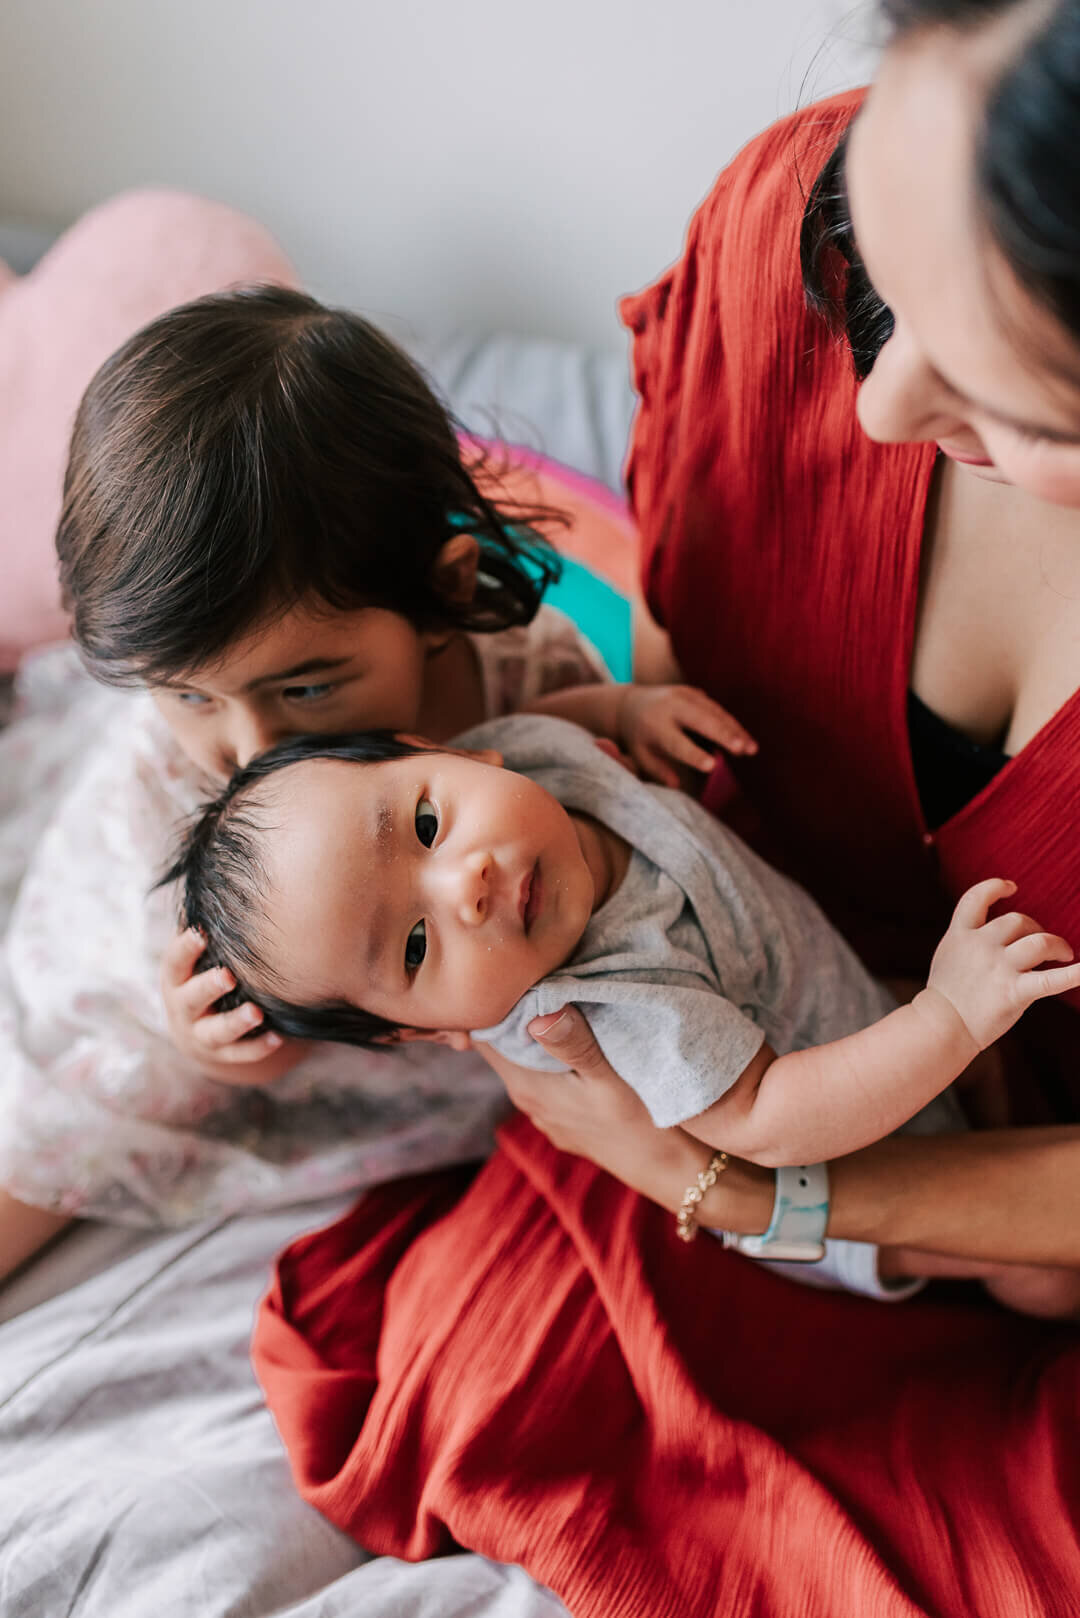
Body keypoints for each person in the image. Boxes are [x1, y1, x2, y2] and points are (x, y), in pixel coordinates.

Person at [480, 0, 1080, 1294]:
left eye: (1005, 392)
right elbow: (685, 627)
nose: (877, 406)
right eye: (878, 280)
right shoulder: (779, 233)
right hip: (709, 1035)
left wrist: (742, 1184)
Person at [0, 284, 742, 1281]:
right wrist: (228, 1045)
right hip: (194, 970)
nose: (249, 746)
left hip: (437, 986)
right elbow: (239, 1018)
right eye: (190, 694)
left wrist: (631, 721)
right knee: (72, 1110)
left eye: (305, 685)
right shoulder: (178, 765)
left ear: (441, 593)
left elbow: (604, 815)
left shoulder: (528, 675)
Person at [165, 715, 1080, 1312]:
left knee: (1006, 1087)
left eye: (427, 827)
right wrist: (948, 1018)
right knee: (1035, 1277)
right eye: (414, 947)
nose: (467, 884)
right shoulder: (605, 1003)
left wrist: (624, 704)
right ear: (429, 1033)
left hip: (849, 1012)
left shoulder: (530, 758)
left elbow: (560, 714)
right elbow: (767, 1120)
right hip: (834, 1159)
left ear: (447, 749)